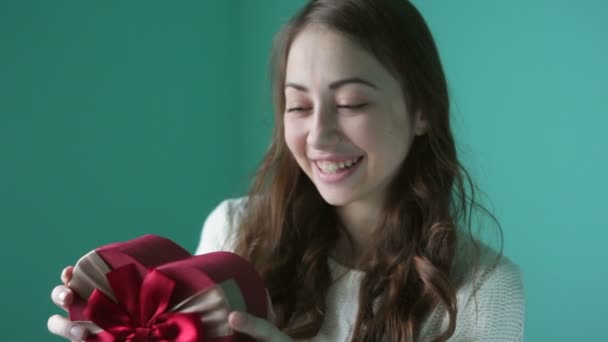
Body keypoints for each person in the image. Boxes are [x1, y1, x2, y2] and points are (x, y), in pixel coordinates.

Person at [48, 0, 525, 341]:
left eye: (351, 103)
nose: (318, 135)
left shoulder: (483, 292)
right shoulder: (235, 231)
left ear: (422, 109)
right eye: (298, 106)